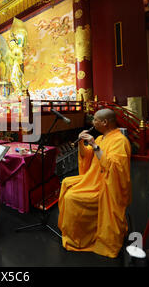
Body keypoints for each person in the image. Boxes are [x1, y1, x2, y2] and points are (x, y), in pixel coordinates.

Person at [57, 108, 132, 258]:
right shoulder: (100, 138)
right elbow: (87, 158)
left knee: (71, 198)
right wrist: (82, 144)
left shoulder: (120, 141)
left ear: (104, 122)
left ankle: (79, 238)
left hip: (106, 186)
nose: (92, 122)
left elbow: (114, 168)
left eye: (95, 120)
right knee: (66, 182)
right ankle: (75, 233)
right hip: (93, 179)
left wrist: (95, 145)